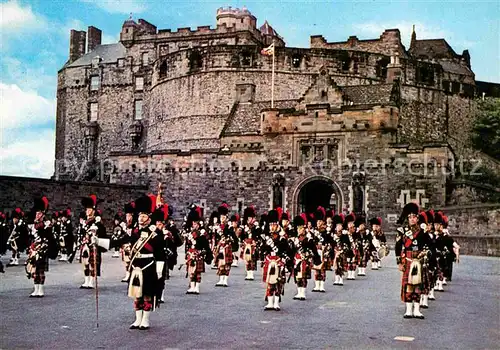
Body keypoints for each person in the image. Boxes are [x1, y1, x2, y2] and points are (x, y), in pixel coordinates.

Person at [127, 194, 166, 330]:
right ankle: (137, 319)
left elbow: (160, 253)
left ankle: (146, 319)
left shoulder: (155, 233)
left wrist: (159, 270)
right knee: (137, 294)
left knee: (147, 294)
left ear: (149, 218)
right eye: (139, 216)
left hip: (149, 265)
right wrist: (100, 242)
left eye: (144, 216)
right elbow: (125, 242)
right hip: (136, 266)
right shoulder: (135, 232)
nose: (141, 218)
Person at [395, 203, 432, 319]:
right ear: (407, 218)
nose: (412, 219)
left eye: (414, 217)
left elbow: (430, 246)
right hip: (408, 260)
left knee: (417, 286)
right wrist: (399, 262)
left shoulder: (423, 232)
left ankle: (417, 310)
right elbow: (397, 247)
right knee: (409, 286)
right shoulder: (402, 231)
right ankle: (408, 310)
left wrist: (426, 253)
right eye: (410, 217)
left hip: (419, 261)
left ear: (417, 218)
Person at [260, 209, 292, 311]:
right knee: (270, 283)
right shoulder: (267, 238)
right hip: (270, 261)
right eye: (271, 225)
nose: (272, 227)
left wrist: (285, 260)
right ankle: (270, 303)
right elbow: (263, 249)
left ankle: (276, 303)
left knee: (278, 283)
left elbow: (287, 250)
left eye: (274, 225)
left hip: (279, 261)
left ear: (277, 226)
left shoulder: (282, 238)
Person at [25, 197, 56, 297]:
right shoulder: (33, 225)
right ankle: (36, 289)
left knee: (40, 270)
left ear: (43, 214)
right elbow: (30, 237)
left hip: (42, 249)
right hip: (34, 248)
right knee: (34, 270)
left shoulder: (46, 224)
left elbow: (49, 237)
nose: (37, 215)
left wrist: (43, 247)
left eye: (39, 213)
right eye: (36, 213)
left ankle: (41, 289)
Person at [79, 195, 109, 289]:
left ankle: (91, 281)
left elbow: (102, 232)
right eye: (86, 209)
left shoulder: (97, 221)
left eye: (89, 209)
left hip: (93, 245)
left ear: (93, 210)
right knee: (85, 263)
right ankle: (86, 280)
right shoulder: (85, 222)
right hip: (85, 244)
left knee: (93, 264)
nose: (87, 211)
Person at [184, 206, 213, 294]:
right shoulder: (190, 233)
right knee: (191, 272)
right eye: (193, 224)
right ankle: (192, 287)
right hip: (191, 254)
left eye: (196, 224)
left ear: (199, 224)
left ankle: (197, 287)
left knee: (197, 272)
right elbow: (187, 245)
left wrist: (206, 252)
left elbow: (205, 245)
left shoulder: (202, 233)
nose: (194, 225)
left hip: (198, 254)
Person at [292, 214, 320, 300]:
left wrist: (316, 259)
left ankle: (303, 293)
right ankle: (299, 291)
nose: (301, 230)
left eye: (302, 228)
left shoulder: (308, 239)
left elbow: (313, 249)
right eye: (300, 228)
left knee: (304, 277)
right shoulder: (295, 239)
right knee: (298, 277)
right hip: (297, 259)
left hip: (305, 259)